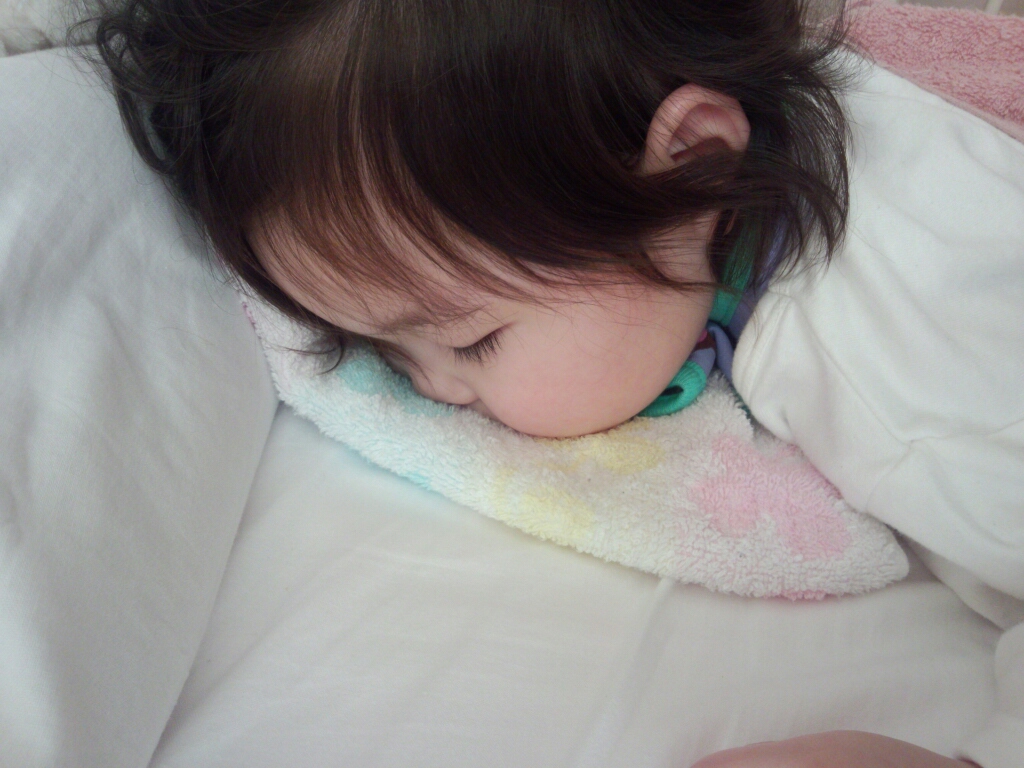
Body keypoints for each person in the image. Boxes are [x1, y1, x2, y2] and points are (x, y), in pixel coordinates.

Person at [92, 0, 1023, 765]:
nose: (437, 392)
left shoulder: (908, 358)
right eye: (381, 351)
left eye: (473, 341)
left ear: (696, 164)